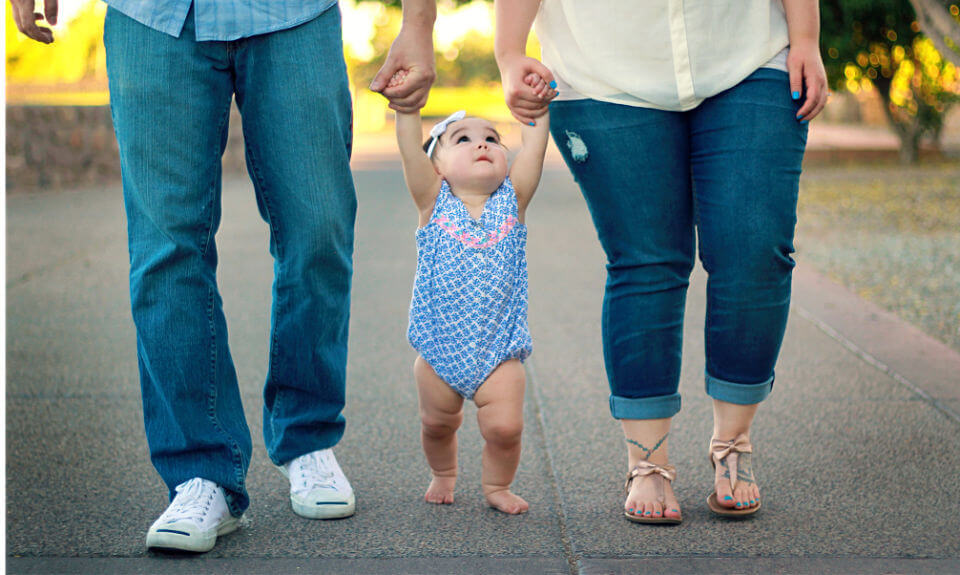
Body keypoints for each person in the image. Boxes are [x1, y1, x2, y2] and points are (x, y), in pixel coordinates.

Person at [9, 0, 379, 552]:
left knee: (318, 227)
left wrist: (419, 21)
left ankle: (307, 436)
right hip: (152, 17)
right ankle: (201, 472)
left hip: (294, 14)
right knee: (165, 249)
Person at [494, 0, 828, 523]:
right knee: (646, 263)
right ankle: (647, 462)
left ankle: (733, 443)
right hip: (602, 70)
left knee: (754, 249)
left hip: (750, 53)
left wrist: (805, 36)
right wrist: (509, 51)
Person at [388, 66, 553, 513]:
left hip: (498, 351)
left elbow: (534, 148)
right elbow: (409, 152)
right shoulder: (432, 203)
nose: (482, 142)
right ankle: (444, 472)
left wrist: (534, 111)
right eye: (462, 139)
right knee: (437, 423)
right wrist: (408, 110)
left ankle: (497, 485)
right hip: (439, 351)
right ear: (437, 167)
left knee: (505, 429)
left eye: (492, 138)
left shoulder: (512, 202)